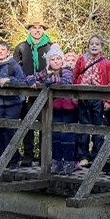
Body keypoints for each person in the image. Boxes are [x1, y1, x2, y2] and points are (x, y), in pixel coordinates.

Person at [29, 46, 76, 174]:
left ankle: (68, 162)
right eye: (53, 59)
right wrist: (32, 81)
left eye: (58, 58)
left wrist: (51, 80)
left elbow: (67, 81)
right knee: (55, 135)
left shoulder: (66, 70)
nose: (56, 61)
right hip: (53, 108)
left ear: (62, 60)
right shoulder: (46, 72)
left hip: (68, 108)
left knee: (67, 135)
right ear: (49, 61)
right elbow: (30, 77)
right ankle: (56, 161)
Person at [71, 36, 110, 166]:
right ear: (88, 46)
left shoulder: (107, 63)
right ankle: (83, 156)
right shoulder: (81, 59)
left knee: (98, 128)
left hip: (99, 98)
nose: (94, 46)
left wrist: (109, 100)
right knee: (84, 126)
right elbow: (75, 76)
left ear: (102, 47)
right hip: (83, 97)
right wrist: (75, 94)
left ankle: (97, 156)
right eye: (92, 44)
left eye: (97, 44)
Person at [14, 22, 53, 162]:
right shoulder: (21, 47)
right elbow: (15, 68)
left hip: (46, 92)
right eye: (34, 28)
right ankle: (28, 155)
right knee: (27, 124)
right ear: (29, 30)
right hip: (27, 93)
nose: (37, 30)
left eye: (40, 28)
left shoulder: (51, 46)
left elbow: (56, 67)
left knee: (45, 124)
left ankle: (44, 156)